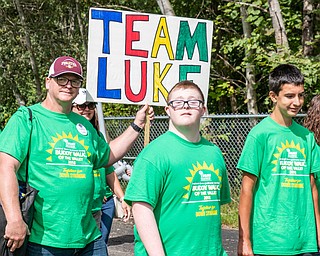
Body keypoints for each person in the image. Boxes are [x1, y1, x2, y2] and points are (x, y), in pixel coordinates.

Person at [0, 56, 153, 255]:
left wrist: (137, 124)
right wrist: (14, 220)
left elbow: (107, 156)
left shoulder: (85, 126)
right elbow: (5, 167)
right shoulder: (27, 118)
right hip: (44, 240)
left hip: (89, 237)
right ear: (48, 82)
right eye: (62, 79)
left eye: (75, 80)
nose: (68, 85)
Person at [124, 80, 231, 255]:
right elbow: (141, 208)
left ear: (203, 109)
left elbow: (214, 208)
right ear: (168, 110)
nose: (186, 106)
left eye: (193, 101)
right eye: (178, 102)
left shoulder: (214, 153)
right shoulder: (154, 154)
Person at [237, 64, 320, 255]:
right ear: (273, 96)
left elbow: (312, 185)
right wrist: (244, 240)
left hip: (303, 240)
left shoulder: (307, 137)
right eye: (289, 96)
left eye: (301, 95)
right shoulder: (259, 135)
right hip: (268, 242)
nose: (297, 102)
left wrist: (317, 230)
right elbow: (246, 190)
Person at [72, 88, 131, 254]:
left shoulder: (98, 135)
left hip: (102, 203)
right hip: (81, 205)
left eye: (90, 105)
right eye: (81, 106)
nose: (86, 109)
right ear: (72, 106)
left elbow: (108, 168)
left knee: (100, 246)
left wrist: (121, 196)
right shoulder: (68, 133)